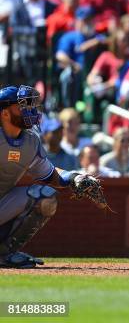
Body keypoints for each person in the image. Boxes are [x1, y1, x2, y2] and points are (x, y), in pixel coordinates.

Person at [0, 85, 101, 268]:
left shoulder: (30, 141)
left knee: (46, 196)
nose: (29, 110)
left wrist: (74, 178)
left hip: (2, 202)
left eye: (29, 105)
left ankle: (5, 254)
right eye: (22, 106)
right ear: (5, 114)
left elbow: (50, 174)